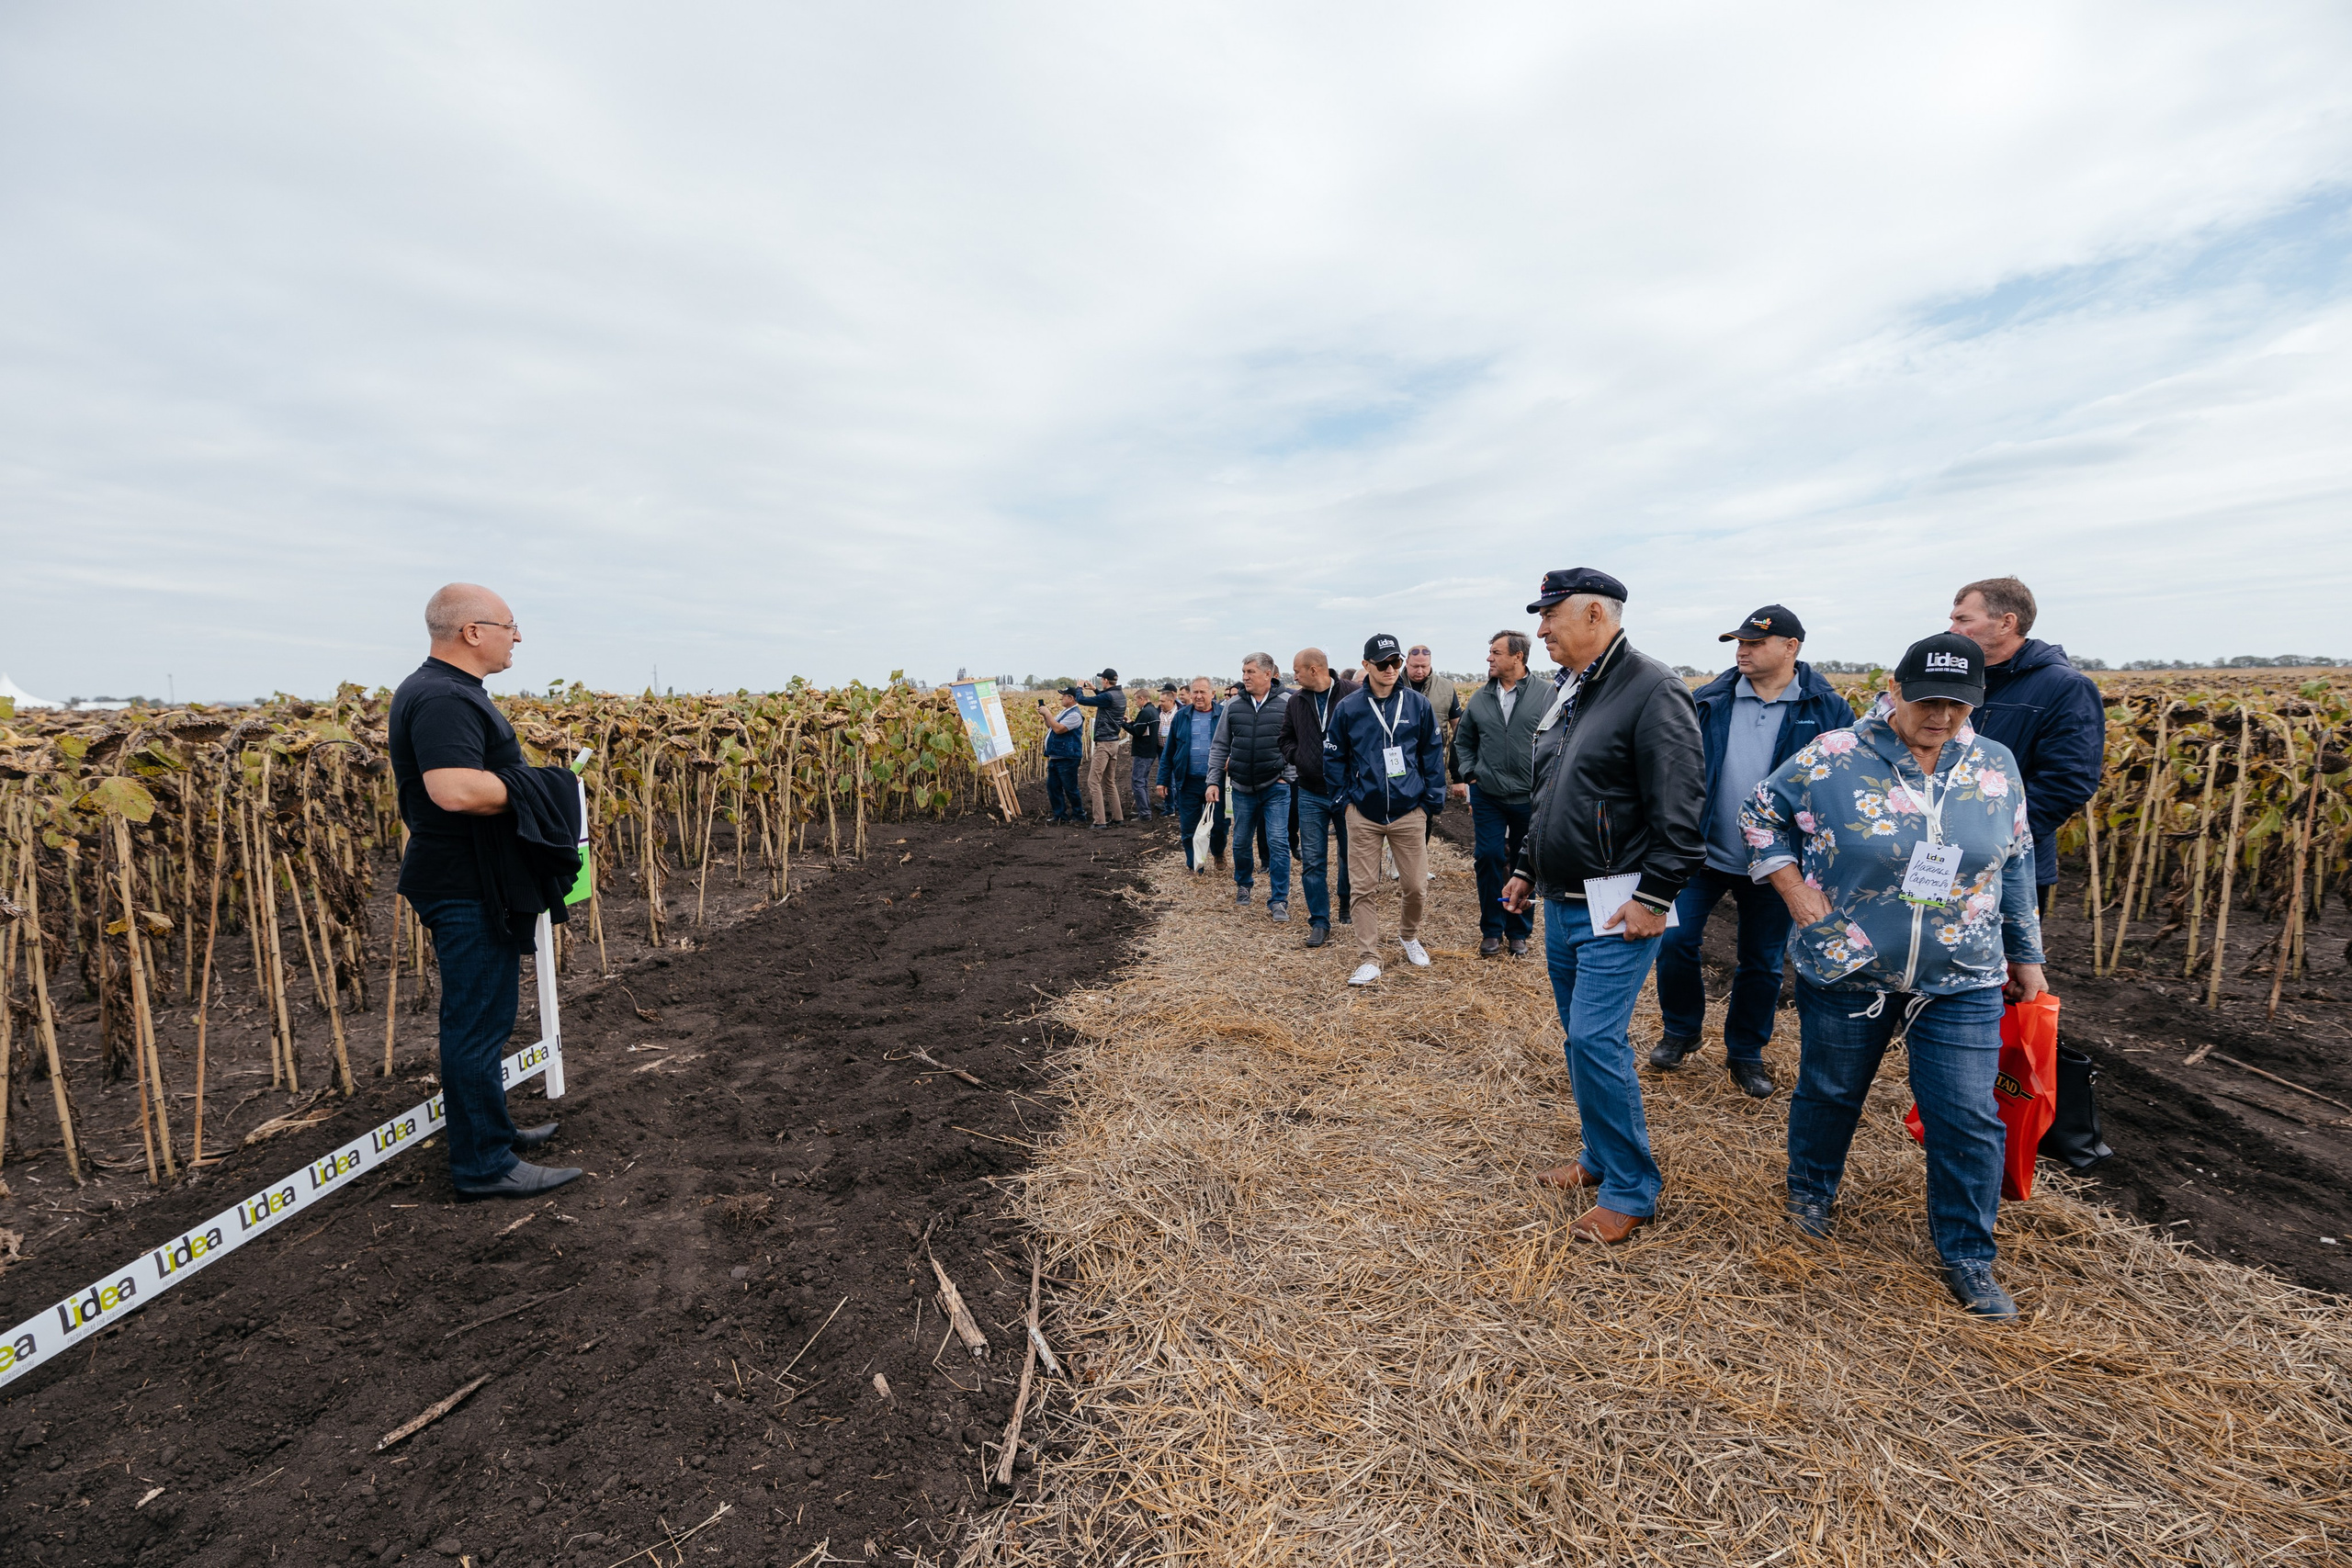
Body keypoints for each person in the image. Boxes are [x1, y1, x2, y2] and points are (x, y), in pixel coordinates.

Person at [1739, 633, 2047, 1321]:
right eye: (1929, 700)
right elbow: (1761, 813)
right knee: (1829, 1090)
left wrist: (2027, 953)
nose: (1943, 716)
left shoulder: (1994, 765)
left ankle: (1969, 1252)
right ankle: (1812, 1192)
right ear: (1895, 689)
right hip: (1849, 962)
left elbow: (2017, 860)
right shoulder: (1834, 755)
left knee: (1966, 1115)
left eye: (1959, 705)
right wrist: (1794, 892)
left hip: (1962, 971)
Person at [1499, 570, 1705, 1244]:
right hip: (1563, 901)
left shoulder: (1652, 688)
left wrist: (1656, 895)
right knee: (1580, 1040)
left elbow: (1681, 808)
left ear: (1595, 613)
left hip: (1618, 906)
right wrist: (1528, 866)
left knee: (1595, 1038)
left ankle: (1631, 1187)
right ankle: (1598, 1155)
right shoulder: (1572, 689)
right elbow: (1552, 791)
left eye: (1550, 615)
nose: (1540, 630)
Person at [388, 583, 582, 1201]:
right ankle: (482, 1164)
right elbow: (452, 789)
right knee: (474, 1022)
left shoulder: (447, 690)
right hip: (463, 882)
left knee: (488, 1015)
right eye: (508, 624)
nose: (517, 635)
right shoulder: (442, 696)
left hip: (472, 875)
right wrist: (538, 787)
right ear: (472, 631)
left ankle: (491, 1131)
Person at [1651, 605, 1856, 1098]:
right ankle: (1682, 1030)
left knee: (1761, 961)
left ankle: (1745, 1050)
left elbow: (1845, 785)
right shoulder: (1709, 701)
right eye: (1738, 642)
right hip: (1703, 853)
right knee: (1674, 942)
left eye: (1755, 643)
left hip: (1780, 862)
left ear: (1791, 647)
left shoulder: (1827, 709)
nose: (1742, 650)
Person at [1948, 578, 2105, 911]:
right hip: (1940, 856)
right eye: (1952, 619)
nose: (1952, 629)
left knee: (2005, 961)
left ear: (2007, 622)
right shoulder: (1955, 681)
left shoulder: (2064, 687)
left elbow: (2067, 781)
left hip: (2010, 864)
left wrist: (1994, 839)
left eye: (1963, 620)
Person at [1324, 634, 1447, 985]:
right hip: (1363, 812)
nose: (1392, 669)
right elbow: (1334, 758)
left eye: (1396, 662)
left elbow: (1432, 756)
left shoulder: (1417, 705)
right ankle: (1369, 957)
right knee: (1363, 888)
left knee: (1416, 887)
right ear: (1366, 666)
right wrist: (1344, 802)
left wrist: (1429, 802)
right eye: (1383, 664)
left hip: (1409, 812)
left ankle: (1408, 935)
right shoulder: (1348, 708)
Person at [1448, 631, 1544, 958]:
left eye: (1496, 652)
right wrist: (1472, 774)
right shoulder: (1480, 697)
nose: (1489, 658)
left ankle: (1518, 932)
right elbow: (1463, 741)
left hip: (1530, 796)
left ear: (1518, 657)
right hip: (1488, 794)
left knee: (1526, 863)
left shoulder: (1547, 694)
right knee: (1488, 856)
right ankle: (1491, 929)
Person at [1280, 648, 1359, 947]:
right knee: (1313, 861)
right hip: (1310, 793)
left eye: (1297, 670)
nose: (1293, 676)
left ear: (1314, 669)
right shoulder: (1296, 701)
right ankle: (1319, 921)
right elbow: (1284, 737)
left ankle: (1346, 900)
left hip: (1347, 792)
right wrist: (1299, 757)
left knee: (1351, 856)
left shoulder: (1352, 694)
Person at [1206, 653, 1295, 919]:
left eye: (1250, 672)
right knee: (1242, 841)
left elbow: (1299, 741)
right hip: (1242, 786)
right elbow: (1220, 745)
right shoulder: (1233, 706)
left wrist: (1288, 774)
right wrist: (1213, 780)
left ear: (1268, 674)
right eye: (1243, 672)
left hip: (1276, 786)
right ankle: (1244, 884)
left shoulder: (1288, 703)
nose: (1245, 677)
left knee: (1279, 842)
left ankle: (1279, 900)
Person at [1157, 677, 1228, 870]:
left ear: (1213, 694)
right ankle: (1195, 864)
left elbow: (1235, 744)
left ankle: (1218, 852)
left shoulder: (1223, 715)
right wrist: (1162, 780)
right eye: (1194, 692)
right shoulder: (1181, 717)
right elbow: (1169, 750)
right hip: (1188, 782)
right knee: (1189, 827)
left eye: (1202, 692)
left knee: (1219, 825)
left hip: (1217, 782)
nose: (1198, 696)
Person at [1069, 668, 1130, 829]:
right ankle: (1118, 817)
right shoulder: (1119, 695)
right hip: (1114, 743)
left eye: (1101, 680)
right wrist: (1095, 690)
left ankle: (1099, 821)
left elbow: (1082, 700)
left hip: (1103, 744)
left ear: (1105, 680)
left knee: (1093, 782)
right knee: (1109, 782)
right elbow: (1104, 701)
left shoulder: (1109, 696)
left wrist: (1079, 687)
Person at [1125, 685, 1170, 819]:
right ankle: (1143, 810)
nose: (1135, 703)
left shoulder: (1145, 712)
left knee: (1138, 782)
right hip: (1150, 752)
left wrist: (1123, 724)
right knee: (1142, 782)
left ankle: (1144, 813)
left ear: (1142, 698)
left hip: (1142, 752)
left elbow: (1137, 732)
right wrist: (1132, 722)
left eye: (1136, 700)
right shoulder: (1153, 712)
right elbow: (1144, 729)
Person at [1042, 688, 1086, 822]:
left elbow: (1059, 729)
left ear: (1071, 698)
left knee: (1070, 788)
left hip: (1068, 757)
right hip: (1056, 756)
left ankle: (1079, 815)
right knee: (1053, 787)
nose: (1061, 698)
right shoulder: (1065, 712)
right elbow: (1051, 725)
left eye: (1063, 696)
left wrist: (1048, 713)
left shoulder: (1075, 715)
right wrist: (1045, 715)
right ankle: (1060, 815)